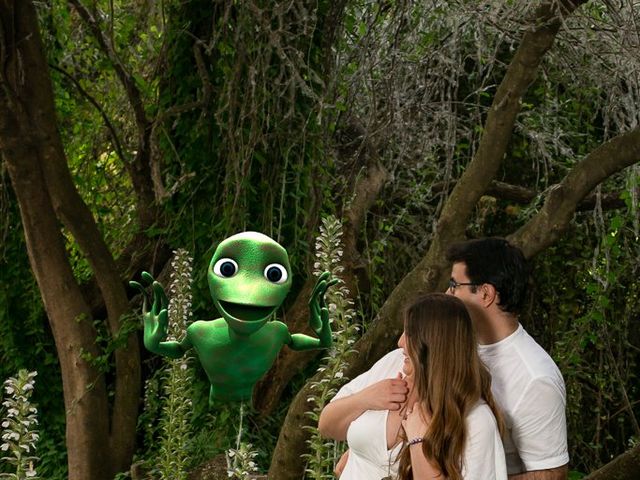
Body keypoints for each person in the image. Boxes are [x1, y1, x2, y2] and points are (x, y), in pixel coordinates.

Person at [321, 237, 569, 479]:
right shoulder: (413, 355)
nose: (446, 294)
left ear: (485, 294)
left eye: (453, 285)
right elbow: (341, 425)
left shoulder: (535, 377)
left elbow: (550, 474)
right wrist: (363, 456)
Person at [319, 293, 507, 479]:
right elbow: (326, 426)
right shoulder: (392, 364)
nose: (400, 342)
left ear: (434, 346)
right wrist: (366, 399)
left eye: (410, 334)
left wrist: (418, 441)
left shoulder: (477, 422)